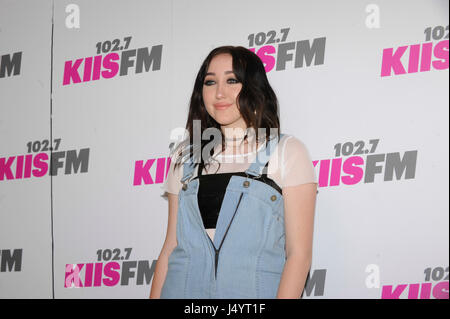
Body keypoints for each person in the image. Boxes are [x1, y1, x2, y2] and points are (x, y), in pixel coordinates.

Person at [149, 46, 318, 299]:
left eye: (232, 80)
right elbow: (170, 248)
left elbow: (299, 255)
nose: (219, 92)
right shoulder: (185, 159)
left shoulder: (287, 152)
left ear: (253, 87)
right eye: (210, 82)